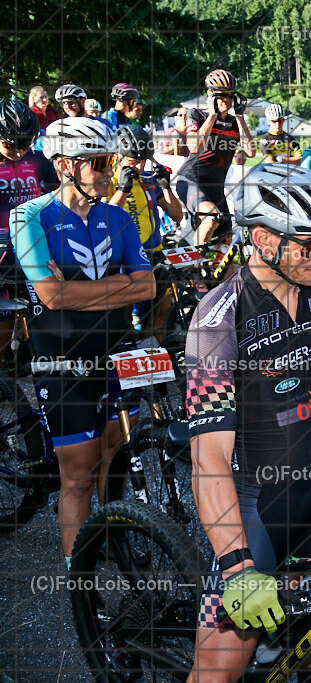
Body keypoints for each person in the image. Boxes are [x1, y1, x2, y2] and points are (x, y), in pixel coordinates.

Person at [186, 163, 311, 682]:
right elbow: (207, 460)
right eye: (310, 243)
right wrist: (237, 566)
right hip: (258, 504)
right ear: (263, 239)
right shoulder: (219, 320)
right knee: (217, 668)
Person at [10, 117, 155, 567]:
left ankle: (113, 528)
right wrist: (116, 287)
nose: (109, 172)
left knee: (115, 451)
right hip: (61, 359)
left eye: (110, 161)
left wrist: (75, 294)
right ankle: (81, 586)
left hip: (116, 351)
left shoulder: (117, 215)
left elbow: (147, 286)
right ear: (64, 166)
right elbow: (51, 297)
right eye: (98, 163)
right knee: (77, 475)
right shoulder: (28, 217)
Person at [0, 99, 57, 355]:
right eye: (11, 145)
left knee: (43, 314)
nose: (19, 151)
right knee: (3, 324)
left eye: (25, 144)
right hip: (2, 253)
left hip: (33, 245)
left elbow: (60, 192)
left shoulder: (36, 158)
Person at [176, 69, 255, 245]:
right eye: (221, 95)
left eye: (230, 95)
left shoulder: (235, 122)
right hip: (190, 180)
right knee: (210, 217)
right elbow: (194, 146)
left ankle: (210, 270)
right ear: (210, 94)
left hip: (215, 187)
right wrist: (212, 114)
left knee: (225, 242)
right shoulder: (196, 114)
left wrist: (241, 117)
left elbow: (251, 152)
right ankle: (195, 269)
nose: (227, 100)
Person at [108, 125, 182, 252]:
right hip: (125, 255)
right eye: (134, 161)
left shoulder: (149, 179)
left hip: (154, 251)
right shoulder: (108, 181)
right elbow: (106, 221)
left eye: (144, 161)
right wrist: (122, 190)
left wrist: (166, 188)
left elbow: (177, 216)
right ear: (118, 155)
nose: (140, 167)